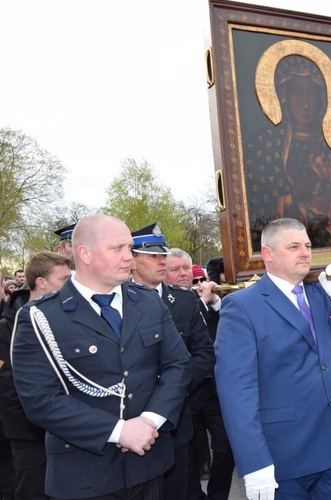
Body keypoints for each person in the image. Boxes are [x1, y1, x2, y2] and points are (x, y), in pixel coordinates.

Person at [11, 214, 192, 499]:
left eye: (129, 249)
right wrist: (118, 431)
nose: (128, 258)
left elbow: (178, 364)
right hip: (85, 475)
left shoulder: (147, 302)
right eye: (117, 249)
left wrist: (151, 420)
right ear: (84, 253)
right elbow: (39, 399)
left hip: (150, 463)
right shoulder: (42, 316)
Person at [214, 218, 331, 499]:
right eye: (294, 246)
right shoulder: (242, 307)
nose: (305, 252)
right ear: (268, 254)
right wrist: (254, 462)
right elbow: (237, 392)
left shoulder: (326, 294)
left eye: (308, 246)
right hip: (283, 457)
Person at [247, 55, 331, 248]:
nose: (305, 103)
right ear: (283, 95)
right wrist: (291, 199)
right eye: (297, 92)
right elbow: (255, 205)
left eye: (312, 93)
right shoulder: (264, 144)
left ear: (322, 97)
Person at [130, 224, 216, 500]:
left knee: (183, 488)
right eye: (153, 256)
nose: (162, 261)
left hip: (178, 417)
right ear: (132, 260)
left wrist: (173, 389)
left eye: (163, 255)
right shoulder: (116, 301)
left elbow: (204, 353)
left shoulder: (184, 301)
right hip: (133, 422)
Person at [164, 247, 235, 500]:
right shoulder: (159, 303)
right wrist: (201, 303)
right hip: (183, 394)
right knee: (188, 459)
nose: (183, 274)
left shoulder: (207, 299)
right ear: (164, 272)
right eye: (175, 269)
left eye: (186, 268)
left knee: (227, 449)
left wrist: (214, 303)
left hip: (211, 389)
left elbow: (216, 336)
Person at [0, 251, 71, 499]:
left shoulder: (70, 319)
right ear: (40, 282)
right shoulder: (8, 326)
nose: (70, 284)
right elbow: (8, 387)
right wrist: (43, 421)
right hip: (29, 434)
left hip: (70, 430)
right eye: (64, 279)